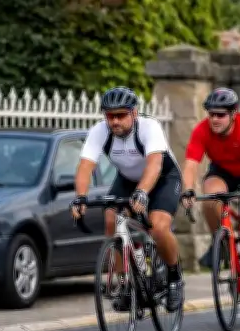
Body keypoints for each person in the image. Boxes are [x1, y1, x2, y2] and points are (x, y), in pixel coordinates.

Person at [70, 86, 185, 312]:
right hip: (127, 179)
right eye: (110, 116)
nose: (115, 121)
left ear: (134, 113)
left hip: (163, 177)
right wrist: (80, 197)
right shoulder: (99, 131)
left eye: (121, 115)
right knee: (111, 220)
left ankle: (174, 277)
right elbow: (85, 167)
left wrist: (142, 192)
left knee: (159, 227)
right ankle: (125, 285)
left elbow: (154, 164)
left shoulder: (150, 128)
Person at [180, 87, 240, 314]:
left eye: (220, 114)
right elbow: (191, 164)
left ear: (233, 114)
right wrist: (188, 190)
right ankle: (220, 241)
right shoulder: (202, 130)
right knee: (211, 197)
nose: (214, 119)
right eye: (211, 114)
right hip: (224, 172)